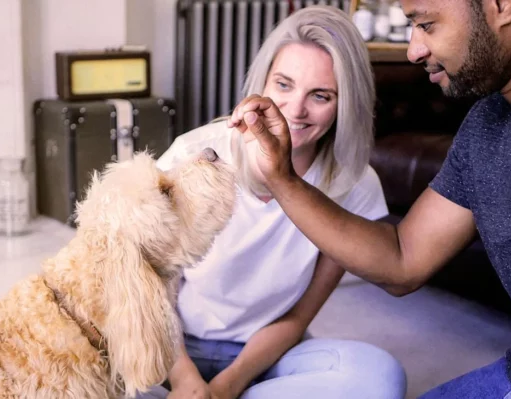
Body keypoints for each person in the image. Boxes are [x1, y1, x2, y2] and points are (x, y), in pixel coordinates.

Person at [228, 0, 511, 398]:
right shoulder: (486, 126)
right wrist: (283, 178)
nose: (413, 50)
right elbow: (403, 258)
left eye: (427, 25)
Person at [138, 5, 407, 399]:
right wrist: (185, 381)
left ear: (345, 102)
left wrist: (228, 385)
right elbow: (150, 290)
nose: (295, 110)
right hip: (169, 347)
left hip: (266, 358)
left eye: (320, 95)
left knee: (380, 378)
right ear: (262, 82)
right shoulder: (193, 153)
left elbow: (300, 316)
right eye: (283, 85)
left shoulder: (355, 183)